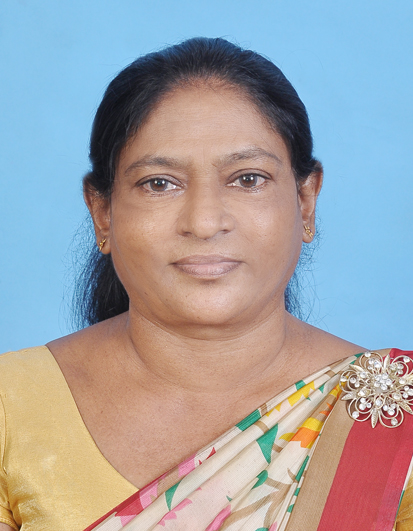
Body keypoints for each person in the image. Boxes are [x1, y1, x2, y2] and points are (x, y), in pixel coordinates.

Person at [0, 37, 411, 531]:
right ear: (102, 212)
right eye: (159, 183)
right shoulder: (11, 404)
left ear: (306, 202)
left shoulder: (395, 419)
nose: (204, 221)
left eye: (248, 179)